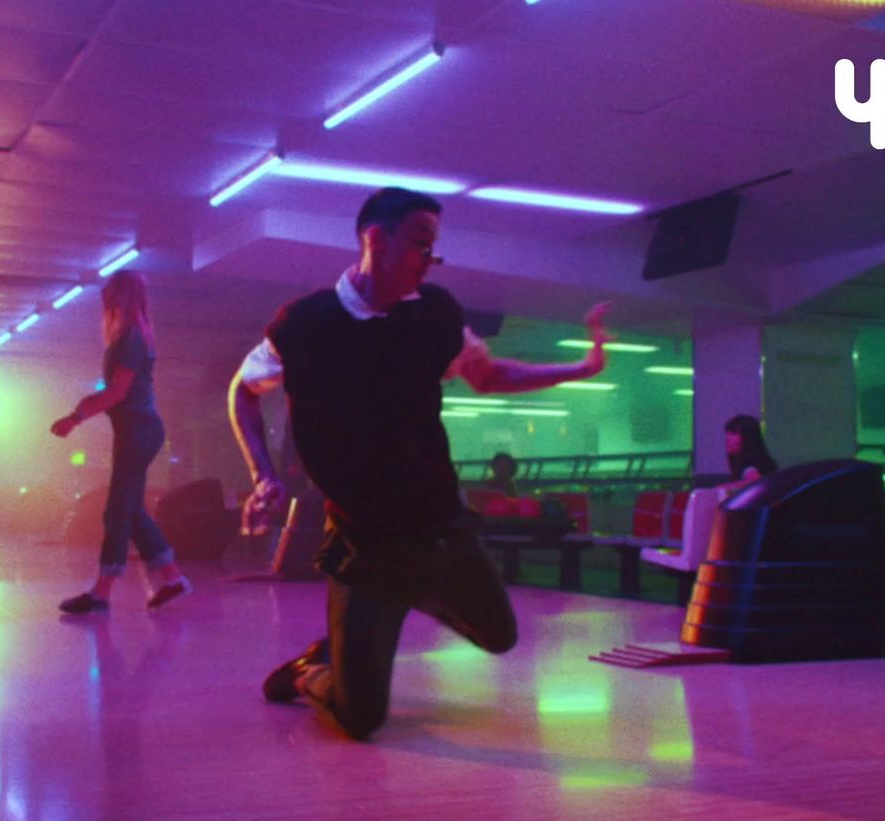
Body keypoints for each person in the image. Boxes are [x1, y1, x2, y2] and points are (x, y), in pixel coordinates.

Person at [229, 186, 612, 740]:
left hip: (442, 530)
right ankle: (312, 670)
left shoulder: (435, 313)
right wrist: (262, 473)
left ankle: (407, 601)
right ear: (376, 238)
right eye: (420, 244)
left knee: (500, 636)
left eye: (434, 249)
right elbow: (243, 391)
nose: (428, 262)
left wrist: (579, 368)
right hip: (366, 543)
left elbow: (488, 375)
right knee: (361, 719)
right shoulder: (305, 324)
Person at [51, 270, 193, 614]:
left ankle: (101, 592)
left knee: (117, 510)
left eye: (108, 295)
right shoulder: (130, 336)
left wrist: (76, 417)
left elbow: (118, 392)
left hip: (139, 430)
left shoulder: (130, 338)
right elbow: (118, 393)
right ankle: (173, 579)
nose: (104, 302)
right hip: (134, 430)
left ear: (120, 297)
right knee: (130, 510)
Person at [724, 414, 777, 484]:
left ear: (748, 438)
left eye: (734, 433)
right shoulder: (739, 463)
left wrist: (722, 489)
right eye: (727, 433)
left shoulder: (751, 466)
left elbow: (755, 483)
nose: (727, 438)